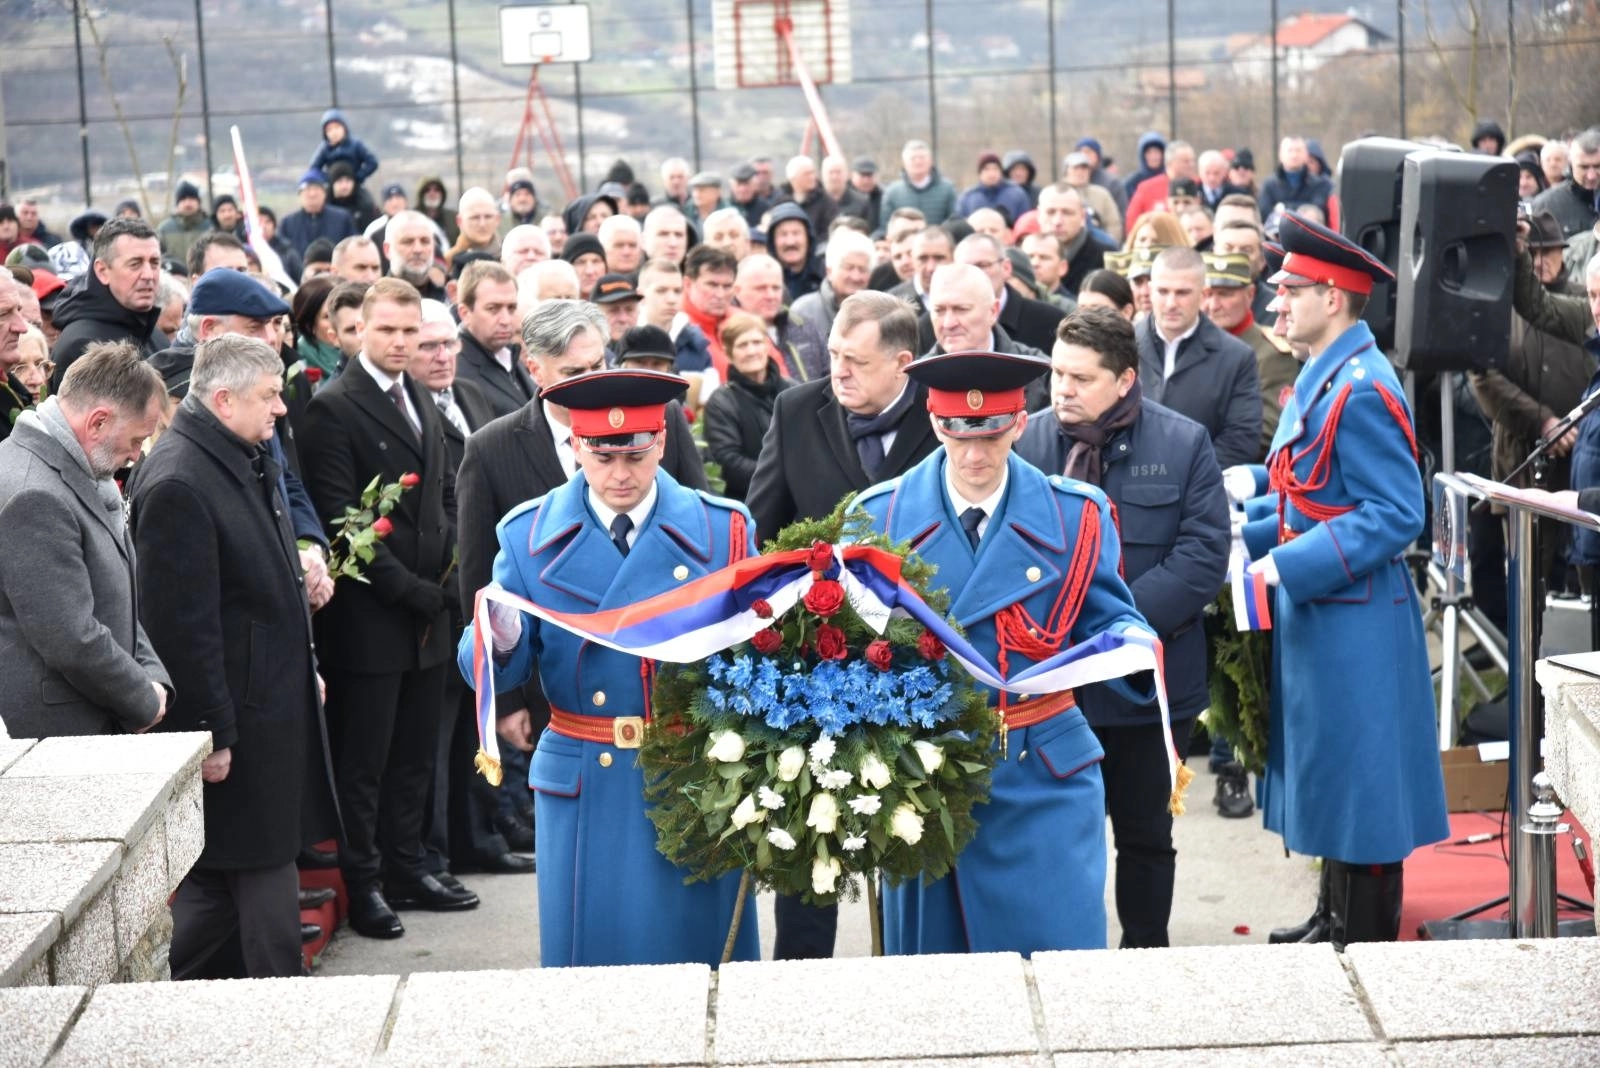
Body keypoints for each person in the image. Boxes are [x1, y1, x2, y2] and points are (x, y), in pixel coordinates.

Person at [855, 346, 1156, 954]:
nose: (974, 455)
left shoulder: (1076, 515)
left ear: (1021, 423)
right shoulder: (878, 518)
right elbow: (854, 654)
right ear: (934, 423)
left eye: (991, 435)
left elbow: (1110, 616)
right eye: (956, 433)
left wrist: (1133, 646)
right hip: (926, 780)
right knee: (940, 999)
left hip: (1041, 776)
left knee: (1055, 974)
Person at [458, 367, 757, 968]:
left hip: (693, 773)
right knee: (596, 977)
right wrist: (503, 631)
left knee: (698, 968)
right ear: (574, 446)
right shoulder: (529, 534)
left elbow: (754, 654)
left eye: (636, 455)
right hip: (586, 774)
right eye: (602, 456)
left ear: (663, 443)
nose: (620, 474)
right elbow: (485, 672)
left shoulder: (722, 528)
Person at [1234, 214, 1449, 948]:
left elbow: (1396, 514)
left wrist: (1287, 562)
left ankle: (1362, 946)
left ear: (1334, 297)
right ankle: (1333, 921)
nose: (1277, 303)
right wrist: (1249, 529)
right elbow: (1312, 495)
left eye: (1291, 290)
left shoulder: (1360, 386)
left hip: (1354, 615)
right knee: (1334, 775)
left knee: (1364, 790)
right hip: (1329, 610)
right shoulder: (1325, 373)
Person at [1015, 308, 1229, 946]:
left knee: (1144, 837)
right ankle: (1060, 955)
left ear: (1126, 379)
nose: (1063, 390)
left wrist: (1113, 628)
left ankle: (1144, 958)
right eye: (1058, 374)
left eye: (1081, 378)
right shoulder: (1027, 444)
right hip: (1051, 682)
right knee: (1053, 834)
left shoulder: (1183, 443)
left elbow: (1201, 556)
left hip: (1146, 685)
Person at [129, 334, 340, 979]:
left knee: (220, 884)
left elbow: (259, 589)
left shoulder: (239, 454)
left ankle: (172, 1001)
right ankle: (279, 1008)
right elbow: (180, 631)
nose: (281, 409)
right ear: (222, 400)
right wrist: (210, 735)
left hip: (267, 706)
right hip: (236, 725)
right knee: (258, 870)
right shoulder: (178, 482)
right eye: (270, 396)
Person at [746, 291, 940, 958]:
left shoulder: (942, 415)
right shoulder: (797, 409)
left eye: (856, 361)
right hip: (816, 665)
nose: (838, 372)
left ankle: (924, 975)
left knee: (920, 832)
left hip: (921, 669)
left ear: (905, 365)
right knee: (812, 836)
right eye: (832, 355)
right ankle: (801, 985)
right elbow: (762, 535)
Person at [299, 278, 476, 940]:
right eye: (390, 332)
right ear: (361, 330)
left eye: (412, 331)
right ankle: (365, 880)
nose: (403, 343)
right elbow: (345, 522)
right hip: (374, 618)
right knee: (365, 761)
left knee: (414, 755)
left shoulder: (422, 399)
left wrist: (450, 573)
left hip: (431, 609)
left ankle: (408, 865)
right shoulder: (334, 407)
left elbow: (447, 494)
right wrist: (411, 588)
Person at [0, 342, 172, 738]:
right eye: (134, 440)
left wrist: (153, 680)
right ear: (97, 422)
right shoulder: (35, 493)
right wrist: (142, 697)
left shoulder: (74, 473)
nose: (135, 456)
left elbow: (115, 598)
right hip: (59, 738)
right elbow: (70, 637)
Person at [1136, 246, 1262, 468]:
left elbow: (1241, 440)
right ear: (1150, 291)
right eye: (1163, 292)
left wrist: (1188, 477)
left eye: (1182, 293)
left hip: (1195, 492)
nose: (1171, 303)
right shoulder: (1120, 344)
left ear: (1203, 294)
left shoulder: (1236, 358)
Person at [48, 219, 167, 392]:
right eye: (135, 264)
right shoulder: (81, 347)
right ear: (102, 271)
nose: (148, 275)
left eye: (154, 263)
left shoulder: (155, 335)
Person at [1201, 251, 1299, 458]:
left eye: (1225, 294)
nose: (1213, 305)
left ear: (1250, 295)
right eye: (1207, 294)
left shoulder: (1271, 353)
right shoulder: (1190, 345)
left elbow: (1266, 432)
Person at [705, 312, 796, 501]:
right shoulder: (722, 401)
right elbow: (728, 462)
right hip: (750, 501)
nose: (751, 351)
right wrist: (783, 476)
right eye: (742, 345)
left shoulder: (793, 390)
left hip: (798, 496)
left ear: (767, 346)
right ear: (729, 353)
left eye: (756, 342)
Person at [454, 260, 535, 419]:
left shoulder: (512, 357)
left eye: (511, 308)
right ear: (465, 313)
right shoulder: (455, 370)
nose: (505, 320)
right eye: (493, 309)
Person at [731, 255, 825, 381]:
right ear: (737, 291)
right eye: (761, 288)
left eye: (776, 288)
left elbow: (829, 375)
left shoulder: (803, 326)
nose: (771, 295)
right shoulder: (727, 331)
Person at [789, 229, 873, 344]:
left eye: (862, 270)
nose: (856, 277)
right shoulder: (803, 311)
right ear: (829, 271)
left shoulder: (878, 314)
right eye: (849, 268)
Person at [1037, 183, 1111, 296]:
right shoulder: (1024, 257)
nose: (1057, 221)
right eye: (1050, 212)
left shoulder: (1105, 257)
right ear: (1038, 215)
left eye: (1067, 213)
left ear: (1082, 217)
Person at [1531, 127, 1600, 239]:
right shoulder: (1545, 206)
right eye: (1584, 167)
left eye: (1598, 166)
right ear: (1570, 164)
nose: (1591, 176)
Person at [1257, 137, 1334, 224]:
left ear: (1306, 155)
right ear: (1280, 155)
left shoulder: (1321, 184)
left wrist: (1282, 207)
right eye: (1290, 150)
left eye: (1298, 150)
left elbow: (1316, 210)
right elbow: (1265, 213)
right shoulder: (1268, 185)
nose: (1294, 155)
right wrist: (1302, 210)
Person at [281, 171, 357, 259]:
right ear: (300, 195)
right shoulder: (287, 223)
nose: (312, 194)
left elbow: (352, 247)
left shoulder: (342, 218)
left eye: (316, 189)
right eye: (308, 189)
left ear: (325, 193)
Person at [882, 140, 958, 225]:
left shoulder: (947, 189)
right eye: (913, 158)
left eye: (922, 157)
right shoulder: (892, 192)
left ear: (931, 161)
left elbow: (953, 221)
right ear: (904, 163)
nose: (918, 162)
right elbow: (885, 226)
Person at [308, 108, 380, 189]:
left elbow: (372, 162)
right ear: (325, 133)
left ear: (344, 128)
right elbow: (314, 168)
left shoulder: (356, 145)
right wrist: (328, 179)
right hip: (333, 189)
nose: (334, 132)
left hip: (355, 187)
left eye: (337, 127)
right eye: (329, 130)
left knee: (366, 201)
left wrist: (357, 177)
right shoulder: (324, 148)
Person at [956, 152, 1031, 226]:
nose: (991, 174)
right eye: (986, 169)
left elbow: (1024, 224)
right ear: (980, 173)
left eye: (995, 169)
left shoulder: (1017, 194)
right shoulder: (968, 198)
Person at [157, 181, 215, 265]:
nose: (188, 203)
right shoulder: (164, 229)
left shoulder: (211, 227)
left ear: (198, 202)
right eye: (183, 199)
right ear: (177, 204)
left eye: (191, 199)